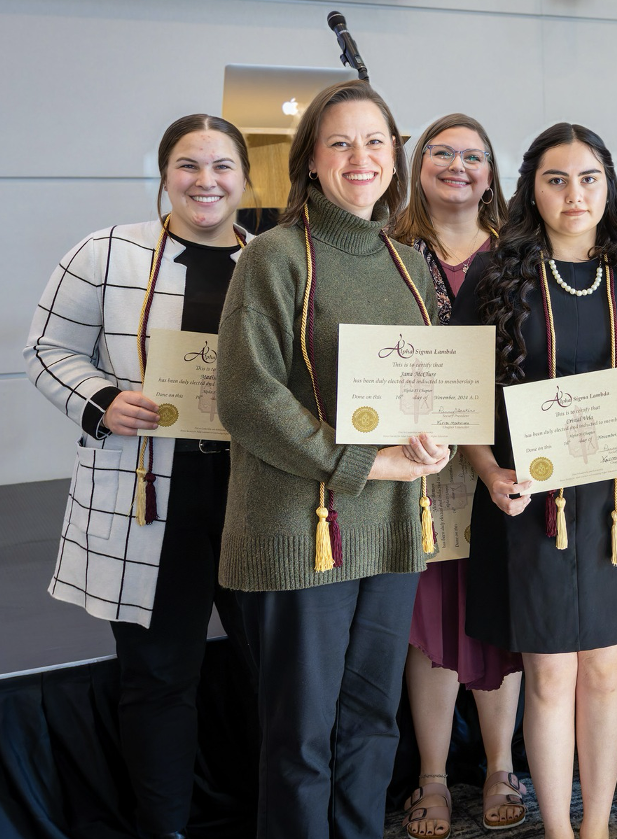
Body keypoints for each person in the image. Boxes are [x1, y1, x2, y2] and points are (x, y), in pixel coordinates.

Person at [216, 80, 452, 839]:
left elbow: (423, 388)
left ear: (396, 157)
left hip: (388, 527)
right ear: (311, 161)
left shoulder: (411, 265)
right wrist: (361, 465)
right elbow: (248, 397)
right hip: (303, 525)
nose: (361, 158)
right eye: (341, 143)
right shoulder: (274, 258)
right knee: (302, 736)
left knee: (373, 722)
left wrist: (433, 437)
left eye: (376, 142)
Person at [24, 114, 255, 839]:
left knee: (269, 672)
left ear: (247, 177)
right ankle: (166, 827)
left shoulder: (276, 260)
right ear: (164, 174)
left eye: (222, 166)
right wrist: (101, 399)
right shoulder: (107, 253)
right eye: (188, 165)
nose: (205, 181)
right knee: (159, 678)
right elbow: (47, 349)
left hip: (258, 499)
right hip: (148, 497)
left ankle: (264, 816)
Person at [452, 122, 617, 839]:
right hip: (530, 504)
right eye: (557, 179)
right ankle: (558, 831)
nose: (574, 193)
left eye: (588, 178)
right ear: (533, 190)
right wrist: (488, 473)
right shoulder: (497, 276)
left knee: (606, 674)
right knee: (550, 677)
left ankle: (599, 829)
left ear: (608, 186)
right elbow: (464, 405)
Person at [389, 114, 528, 836]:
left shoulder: (517, 256)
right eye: (442, 152)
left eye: (472, 156)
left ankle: (503, 767)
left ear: (491, 171)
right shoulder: (390, 251)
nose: (457, 166)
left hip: (505, 459)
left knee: (502, 613)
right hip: (418, 460)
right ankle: (434, 777)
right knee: (431, 618)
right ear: (417, 165)